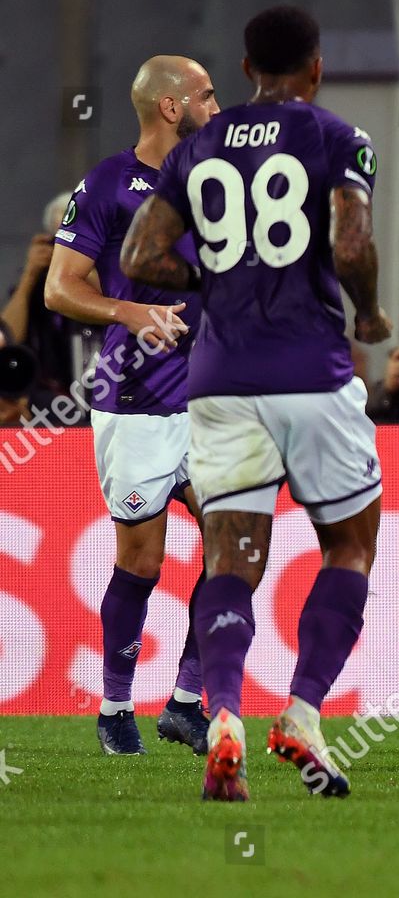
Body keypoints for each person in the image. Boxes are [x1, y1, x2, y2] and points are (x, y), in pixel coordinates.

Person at [121, 5, 391, 801]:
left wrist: (216, 280)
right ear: (316, 68)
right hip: (310, 370)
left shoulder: (197, 145)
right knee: (348, 547)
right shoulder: (338, 138)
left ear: (244, 71)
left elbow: (141, 255)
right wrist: (369, 313)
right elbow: (350, 243)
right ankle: (303, 715)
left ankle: (225, 716)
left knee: (231, 561)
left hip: (221, 382)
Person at [44, 56, 218, 756]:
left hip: (215, 398)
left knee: (237, 546)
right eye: (206, 93)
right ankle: (116, 708)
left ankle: (185, 700)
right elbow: (61, 287)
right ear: (172, 107)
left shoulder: (217, 184)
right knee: (142, 563)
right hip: (139, 400)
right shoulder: (113, 184)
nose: (218, 103)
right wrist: (129, 310)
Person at [3, 193, 85, 391]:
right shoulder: (36, 286)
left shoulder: (110, 280)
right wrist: (29, 275)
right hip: (50, 399)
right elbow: (7, 338)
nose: (66, 249)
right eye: (60, 240)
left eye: (74, 239)